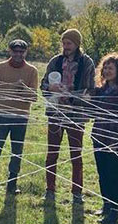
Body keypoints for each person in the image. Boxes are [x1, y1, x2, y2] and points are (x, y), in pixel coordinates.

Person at [41, 28, 96, 202]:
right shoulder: (55, 61)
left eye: (69, 43)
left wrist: (72, 95)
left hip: (76, 115)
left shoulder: (87, 63)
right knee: (52, 153)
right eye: (64, 43)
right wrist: (50, 88)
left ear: (77, 44)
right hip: (55, 113)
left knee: (76, 155)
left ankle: (77, 193)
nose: (65, 46)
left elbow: (90, 90)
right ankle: (50, 190)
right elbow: (43, 85)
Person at [0, 39, 38, 194]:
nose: (18, 54)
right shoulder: (0, 68)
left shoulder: (32, 71)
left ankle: (12, 184)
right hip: (0, 117)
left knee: (17, 151)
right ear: (10, 51)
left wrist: (22, 89)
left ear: (26, 52)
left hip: (20, 117)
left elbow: (33, 97)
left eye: (21, 52)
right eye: (15, 51)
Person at [85, 53, 118, 224]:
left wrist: (115, 142)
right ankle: (106, 205)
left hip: (117, 141)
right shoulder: (99, 91)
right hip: (99, 137)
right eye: (105, 68)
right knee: (102, 174)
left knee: (112, 175)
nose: (107, 71)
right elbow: (91, 111)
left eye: (110, 68)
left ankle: (114, 212)